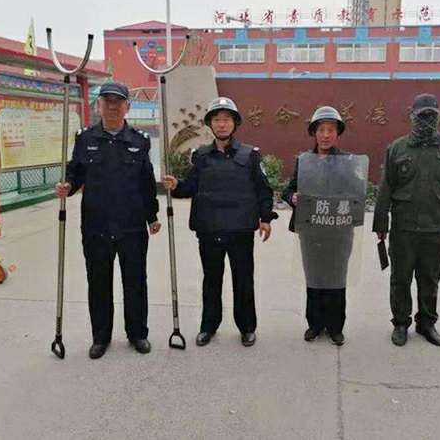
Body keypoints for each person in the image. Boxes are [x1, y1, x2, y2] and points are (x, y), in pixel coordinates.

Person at [55, 82, 161, 359]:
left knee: (135, 281)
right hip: (97, 225)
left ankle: (137, 334)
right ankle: (100, 337)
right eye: (107, 101)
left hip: (132, 225)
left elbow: (147, 183)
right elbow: (75, 173)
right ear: (98, 106)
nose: (113, 107)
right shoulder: (85, 139)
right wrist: (67, 186)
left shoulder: (139, 140)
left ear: (128, 107)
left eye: (118, 102)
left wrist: (152, 216)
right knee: (99, 282)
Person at [162, 97, 278, 347]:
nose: (222, 124)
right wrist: (176, 185)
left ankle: (247, 327)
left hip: (240, 230)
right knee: (211, 281)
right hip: (210, 228)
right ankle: (208, 326)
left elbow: (263, 190)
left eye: (226, 119)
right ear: (210, 124)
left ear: (235, 123)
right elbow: (190, 187)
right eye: (217, 119)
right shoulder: (201, 156)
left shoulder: (250, 155)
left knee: (243, 281)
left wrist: (266, 218)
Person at [373, 93, 440, 347]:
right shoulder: (397, 149)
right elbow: (386, 187)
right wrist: (381, 224)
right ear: (412, 116)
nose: (426, 120)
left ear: (439, 117)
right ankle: (400, 323)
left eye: (431, 115)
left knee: (430, 279)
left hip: (436, 228)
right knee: (400, 278)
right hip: (404, 228)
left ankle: (427, 323)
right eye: (421, 115)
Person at [282, 106, 363, 346]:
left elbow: (357, 193)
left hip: (338, 230)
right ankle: (315, 324)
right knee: (314, 277)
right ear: (314, 133)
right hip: (311, 230)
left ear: (337, 133)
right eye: (321, 130)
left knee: (336, 278)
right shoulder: (304, 161)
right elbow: (289, 189)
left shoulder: (347, 162)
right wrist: (292, 197)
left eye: (330, 130)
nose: (326, 135)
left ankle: (335, 326)